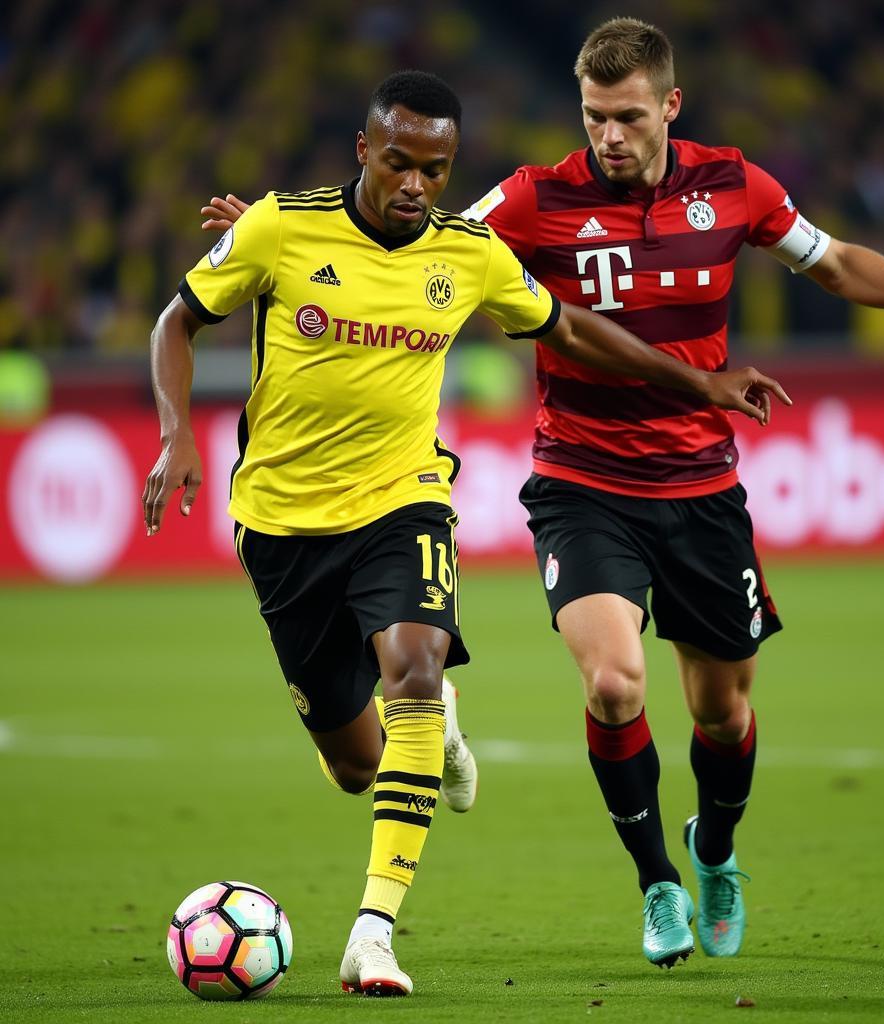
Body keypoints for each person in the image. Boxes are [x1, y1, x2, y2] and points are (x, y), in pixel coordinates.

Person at [202, 26, 884, 973]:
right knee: (615, 685)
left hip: (703, 486)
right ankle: (658, 882)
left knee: (724, 713)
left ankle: (715, 849)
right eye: (593, 117)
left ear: (669, 107)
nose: (609, 136)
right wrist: (290, 237)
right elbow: (414, 235)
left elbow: (830, 261)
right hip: (581, 482)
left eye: (626, 117)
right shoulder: (536, 197)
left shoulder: (736, 185)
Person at [153, 70, 790, 996]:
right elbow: (178, 320)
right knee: (355, 763)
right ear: (364, 152)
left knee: (415, 663)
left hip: (404, 501)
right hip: (281, 523)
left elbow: (568, 327)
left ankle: (374, 932)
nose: (416, 184)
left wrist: (699, 380)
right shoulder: (283, 227)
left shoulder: (467, 253)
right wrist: (176, 430)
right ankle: (437, 727)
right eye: (400, 163)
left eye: (436, 169)